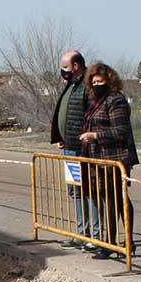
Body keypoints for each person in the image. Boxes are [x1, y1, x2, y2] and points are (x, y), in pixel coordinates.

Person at [76, 62, 139, 260]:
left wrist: (95, 136)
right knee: (110, 200)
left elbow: (121, 131)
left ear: (109, 81)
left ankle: (116, 242)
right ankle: (119, 242)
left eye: (100, 81)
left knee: (116, 201)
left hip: (116, 159)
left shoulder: (116, 100)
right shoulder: (97, 101)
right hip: (99, 160)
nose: (96, 84)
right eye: (93, 82)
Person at [49, 49, 91, 247]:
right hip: (69, 148)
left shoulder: (88, 85)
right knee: (75, 191)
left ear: (75, 66)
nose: (62, 71)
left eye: (64, 67)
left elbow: (89, 116)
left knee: (87, 192)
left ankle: (92, 234)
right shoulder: (71, 85)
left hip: (81, 149)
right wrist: (61, 136)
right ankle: (82, 232)